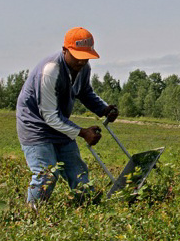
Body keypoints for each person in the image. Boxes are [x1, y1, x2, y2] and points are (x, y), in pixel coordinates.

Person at [16, 27, 119, 207]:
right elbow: (49, 115)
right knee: (46, 175)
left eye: (86, 56)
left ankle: (89, 209)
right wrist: (82, 132)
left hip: (59, 123)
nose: (82, 61)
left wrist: (103, 109)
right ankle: (31, 216)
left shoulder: (83, 67)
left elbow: (85, 92)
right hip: (36, 126)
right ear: (65, 50)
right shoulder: (50, 71)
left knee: (78, 172)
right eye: (77, 56)